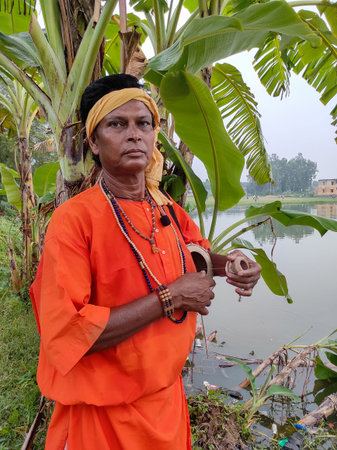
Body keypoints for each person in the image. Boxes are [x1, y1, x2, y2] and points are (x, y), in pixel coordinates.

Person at [30, 74, 261, 450]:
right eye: (117, 124)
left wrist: (231, 265)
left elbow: (194, 254)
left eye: (144, 123)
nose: (134, 135)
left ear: (155, 135)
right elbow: (68, 333)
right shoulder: (74, 221)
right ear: (93, 140)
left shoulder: (164, 206)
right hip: (102, 419)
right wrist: (170, 298)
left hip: (166, 408)